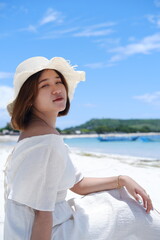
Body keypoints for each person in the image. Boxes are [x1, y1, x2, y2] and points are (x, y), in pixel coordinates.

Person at [4, 56, 160, 240]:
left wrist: (122, 179)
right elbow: (42, 214)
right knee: (131, 211)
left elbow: (77, 185)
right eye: (45, 85)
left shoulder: (32, 134)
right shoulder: (46, 141)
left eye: (58, 81)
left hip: (28, 229)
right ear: (29, 98)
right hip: (45, 232)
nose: (56, 89)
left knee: (116, 195)